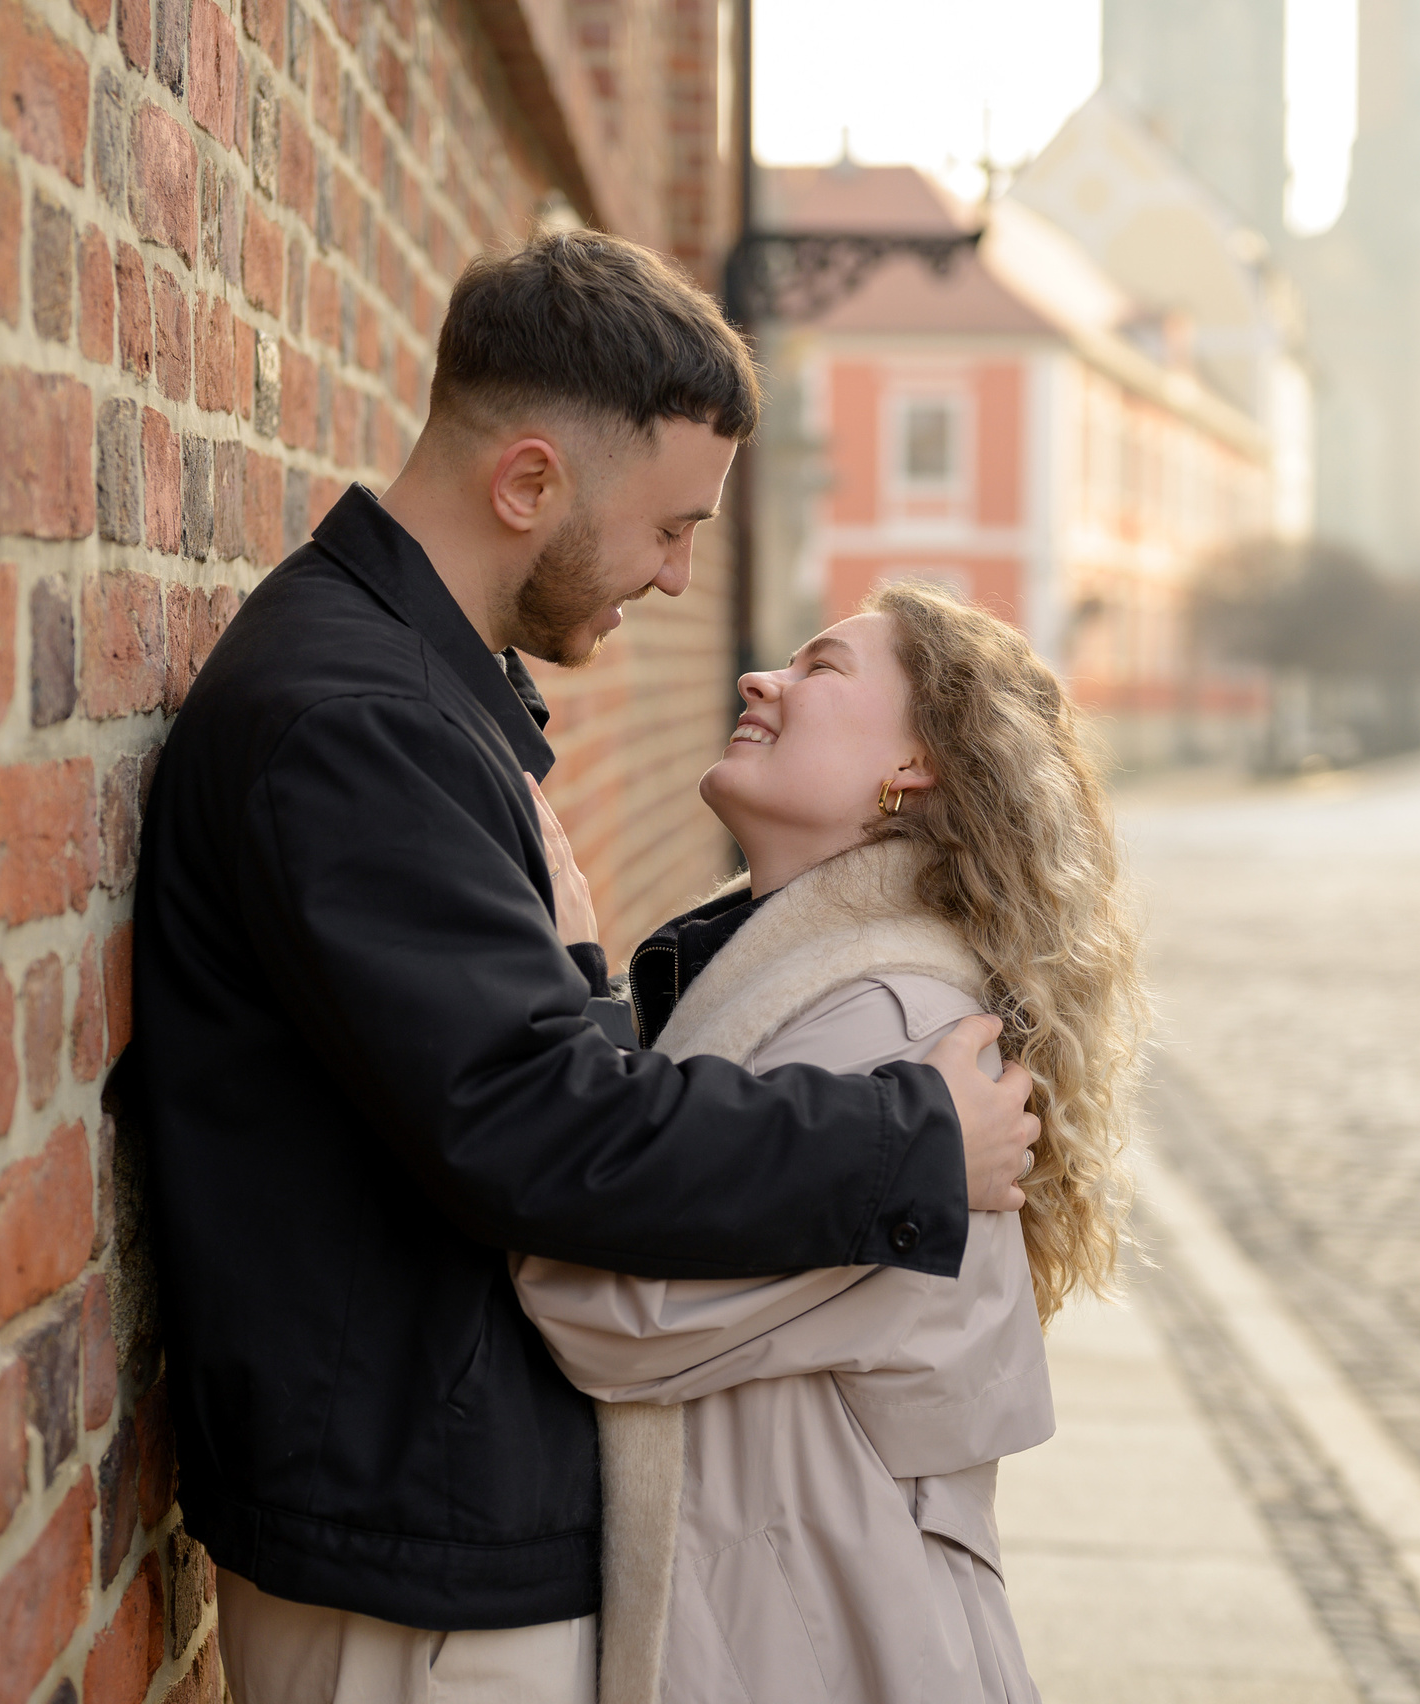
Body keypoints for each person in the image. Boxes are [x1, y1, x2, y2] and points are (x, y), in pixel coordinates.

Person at [119, 229, 1041, 1703]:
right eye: (669, 527)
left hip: (438, 1518)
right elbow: (539, 1124)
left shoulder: (415, 699)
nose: (680, 579)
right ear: (529, 484)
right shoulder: (363, 725)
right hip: (414, 1561)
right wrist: (914, 1137)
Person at [514, 584, 1144, 1704]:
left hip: (821, 1648)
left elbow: (603, 1302)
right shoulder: (808, 987)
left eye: (822, 669)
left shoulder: (891, 1028)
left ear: (915, 765)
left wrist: (569, 993)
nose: (760, 678)